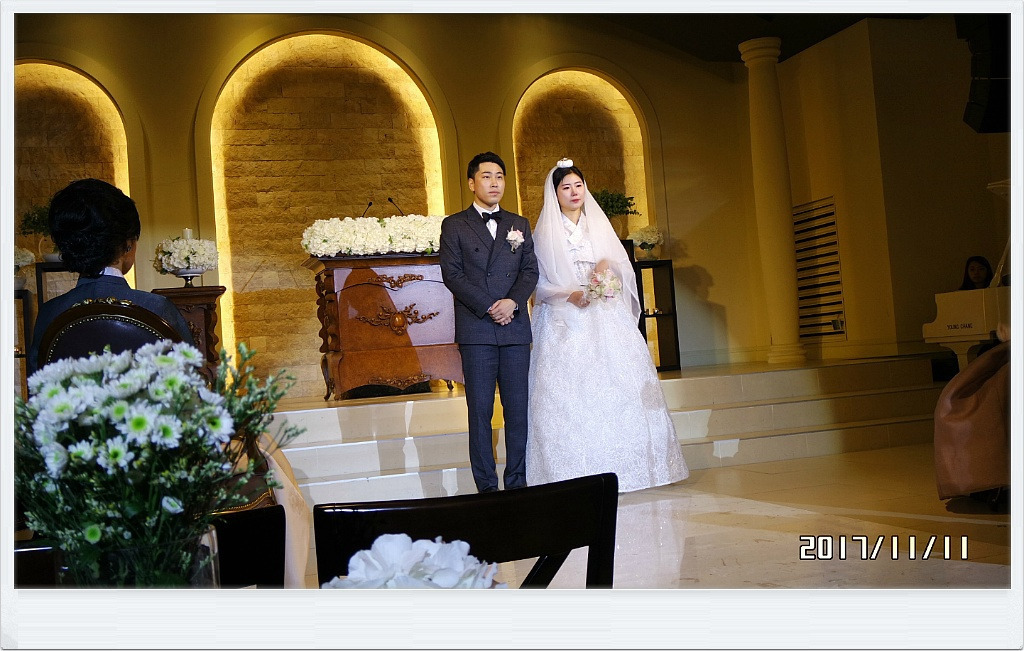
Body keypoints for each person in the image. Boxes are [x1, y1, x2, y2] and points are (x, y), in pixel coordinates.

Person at [526, 159, 688, 493]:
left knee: (617, 385)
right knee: (569, 395)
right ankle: (571, 473)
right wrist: (570, 294)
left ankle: (632, 468)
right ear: (554, 194)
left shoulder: (597, 225)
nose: (574, 192)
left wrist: (602, 274)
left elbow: (613, 261)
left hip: (603, 314)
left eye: (578, 185)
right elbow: (538, 286)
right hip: (563, 319)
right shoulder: (542, 235)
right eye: (566, 187)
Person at [439, 152, 539, 492]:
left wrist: (512, 302)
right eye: (486, 176)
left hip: (514, 327)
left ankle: (517, 483)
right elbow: (452, 275)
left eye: (499, 176)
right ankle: (486, 488)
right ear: (472, 183)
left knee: (517, 409)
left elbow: (530, 271)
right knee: (480, 411)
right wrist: (489, 306)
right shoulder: (454, 225)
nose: (494, 182)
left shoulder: (519, 223)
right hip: (477, 328)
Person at [28, 178, 193, 374]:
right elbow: (191, 380)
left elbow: (36, 386)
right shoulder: (157, 308)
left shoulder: (49, 314)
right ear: (128, 244)